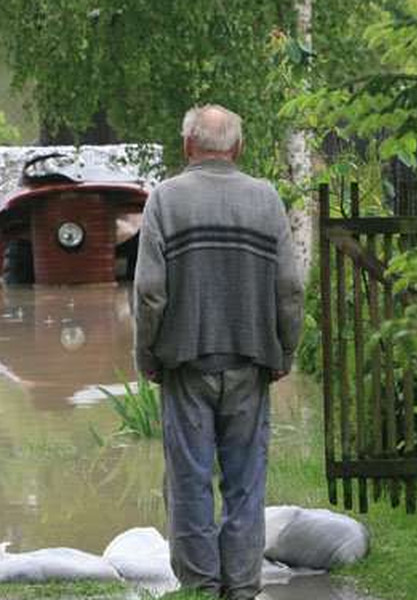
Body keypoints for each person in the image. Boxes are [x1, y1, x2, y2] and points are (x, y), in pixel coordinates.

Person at [134, 104, 304, 600]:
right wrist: (284, 349)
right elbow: (290, 287)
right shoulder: (266, 199)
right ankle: (243, 589)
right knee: (245, 485)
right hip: (251, 361)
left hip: (185, 364)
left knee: (189, 482)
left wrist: (147, 353)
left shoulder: (164, 200)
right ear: (238, 148)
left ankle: (201, 589)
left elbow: (149, 292)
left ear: (188, 146)